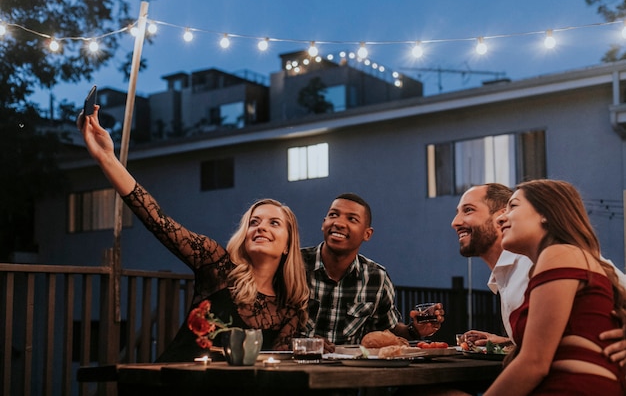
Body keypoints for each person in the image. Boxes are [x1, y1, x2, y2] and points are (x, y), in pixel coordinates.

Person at [79, 106, 309, 361]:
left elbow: (280, 367)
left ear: (289, 244)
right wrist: (107, 158)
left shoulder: (289, 308)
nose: (261, 227)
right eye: (254, 222)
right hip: (174, 382)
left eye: (274, 223)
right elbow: (158, 220)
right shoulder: (217, 266)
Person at [475, 180, 626, 395]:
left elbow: (534, 362)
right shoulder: (560, 259)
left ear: (546, 213)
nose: (500, 218)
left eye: (513, 206)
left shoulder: (559, 253)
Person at [301, 192, 443, 348]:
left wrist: (415, 329)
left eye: (352, 219)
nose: (339, 223)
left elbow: (388, 331)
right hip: (296, 366)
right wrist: (307, 344)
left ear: (367, 234)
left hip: (351, 370)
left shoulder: (377, 278)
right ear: (324, 223)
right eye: (333, 215)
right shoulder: (295, 265)